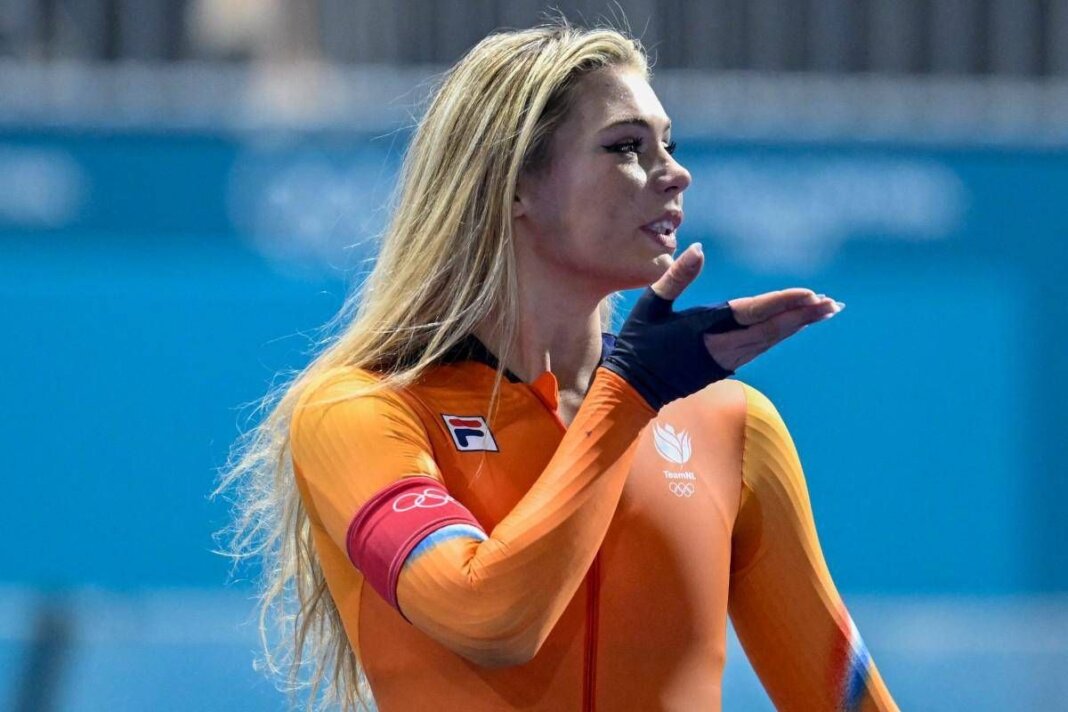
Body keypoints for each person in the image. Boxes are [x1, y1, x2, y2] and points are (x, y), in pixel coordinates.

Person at [217, 21, 898, 712]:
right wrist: (632, 392)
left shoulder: (733, 428)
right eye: (626, 147)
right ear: (515, 185)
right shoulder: (360, 412)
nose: (676, 172)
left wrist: (635, 390)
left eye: (670, 144)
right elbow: (489, 621)